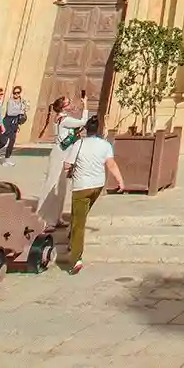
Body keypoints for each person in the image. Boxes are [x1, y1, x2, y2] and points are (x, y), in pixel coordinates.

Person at [62, 116, 122, 275]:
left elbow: (67, 165)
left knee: (79, 223)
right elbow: (111, 164)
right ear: (100, 130)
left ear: (86, 130)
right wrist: (120, 181)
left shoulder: (79, 144)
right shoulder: (105, 145)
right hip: (97, 186)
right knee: (80, 215)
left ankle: (76, 258)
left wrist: (68, 171)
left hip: (81, 186)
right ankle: (71, 238)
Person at [38, 95, 87, 227]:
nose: (71, 104)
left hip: (64, 153)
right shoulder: (64, 119)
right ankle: (44, 217)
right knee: (53, 184)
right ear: (63, 107)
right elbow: (83, 121)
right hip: (60, 154)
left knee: (61, 186)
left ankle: (56, 217)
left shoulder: (62, 118)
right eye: (68, 103)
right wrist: (85, 105)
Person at [0, 86, 29, 164]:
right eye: (14, 93)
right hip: (7, 122)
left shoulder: (22, 101)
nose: (16, 94)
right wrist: (20, 111)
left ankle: (7, 159)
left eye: (18, 93)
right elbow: (9, 112)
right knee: (3, 142)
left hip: (15, 123)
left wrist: (26, 106)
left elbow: (26, 109)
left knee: (12, 141)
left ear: (20, 93)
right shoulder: (10, 101)